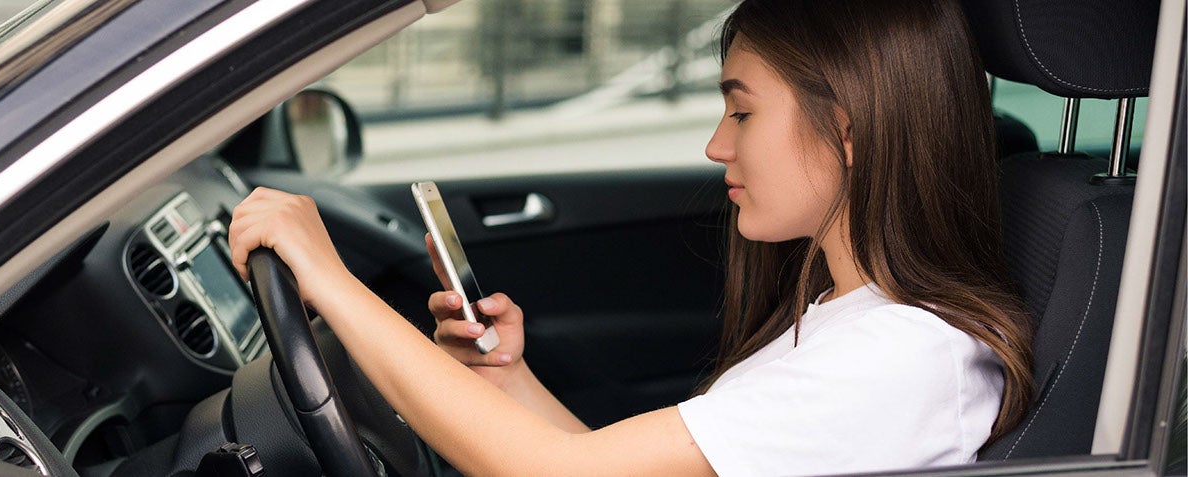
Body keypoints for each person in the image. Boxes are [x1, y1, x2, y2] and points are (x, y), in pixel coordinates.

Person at [227, 0, 1035, 474]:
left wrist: (330, 279)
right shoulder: (851, 319)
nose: (719, 145)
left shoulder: (898, 356)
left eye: (743, 111)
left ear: (849, 129)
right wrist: (510, 379)